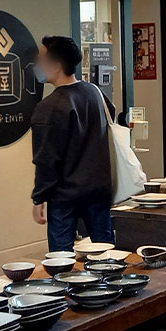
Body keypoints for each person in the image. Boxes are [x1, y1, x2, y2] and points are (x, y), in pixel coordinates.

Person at [30, 36, 116, 252]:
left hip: (64, 196)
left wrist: (39, 197)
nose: (37, 65)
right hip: (99, 190)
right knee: (106, 255)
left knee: (62, 259)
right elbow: (111, 115)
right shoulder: (94, 92)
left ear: (56, 65)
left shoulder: (49, 107)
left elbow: (46, 160)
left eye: (41, 60)